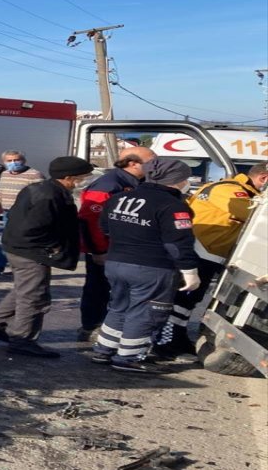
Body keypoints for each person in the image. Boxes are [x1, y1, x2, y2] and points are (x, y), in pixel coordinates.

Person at [0, 157, 94, 358]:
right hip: (30, 252)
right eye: (83, 177)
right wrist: (52, 248)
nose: (85, 180)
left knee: (24, 290)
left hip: (21, 248)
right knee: (34, 297)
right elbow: (34, 228)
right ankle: (23, 340)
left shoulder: (43, 188)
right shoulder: (49, 195)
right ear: (69, 177)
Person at [91, 159, 201, 373]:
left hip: (116, 262)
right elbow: (178, 243)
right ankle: (128, 358)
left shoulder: (119, 198)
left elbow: (104, 226)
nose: (186, 182)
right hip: (152, 267)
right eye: (185, 178)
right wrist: (190, 270)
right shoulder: (173, 206)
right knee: (146, 312)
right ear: (177, 180)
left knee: (118, 306)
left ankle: (104, 350)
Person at [154, 161, 268, 358]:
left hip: (207, 251)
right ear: (263, 178)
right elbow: (251, 214)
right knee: (183, 299)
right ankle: (165, 342)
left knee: (191, 299)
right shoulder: (231, 191)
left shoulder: (239, 190)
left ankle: (177, 337)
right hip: (202, 250)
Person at [77, 145, 156, 340]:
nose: (155, 165)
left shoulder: (139, 182)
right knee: (98, 289)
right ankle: (91, 327)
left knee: (120, 291)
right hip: (105, 249)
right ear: (133, 164)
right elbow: (90, 219)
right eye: (152, 161)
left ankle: (114, 326)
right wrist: (98, 250)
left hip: (125, 248)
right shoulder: (108, 184)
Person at [0, 151, 45, 279]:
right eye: (9, 161)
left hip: (26, 214)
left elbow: (42, 196)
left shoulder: (34, 175)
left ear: (23, 160)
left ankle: (1, 268)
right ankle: (2, 268)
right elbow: (0, 192)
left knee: (11, 240)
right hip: (8, 212)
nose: (13, 163)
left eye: (16, 160)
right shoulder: (4, 174)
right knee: (6, 240)